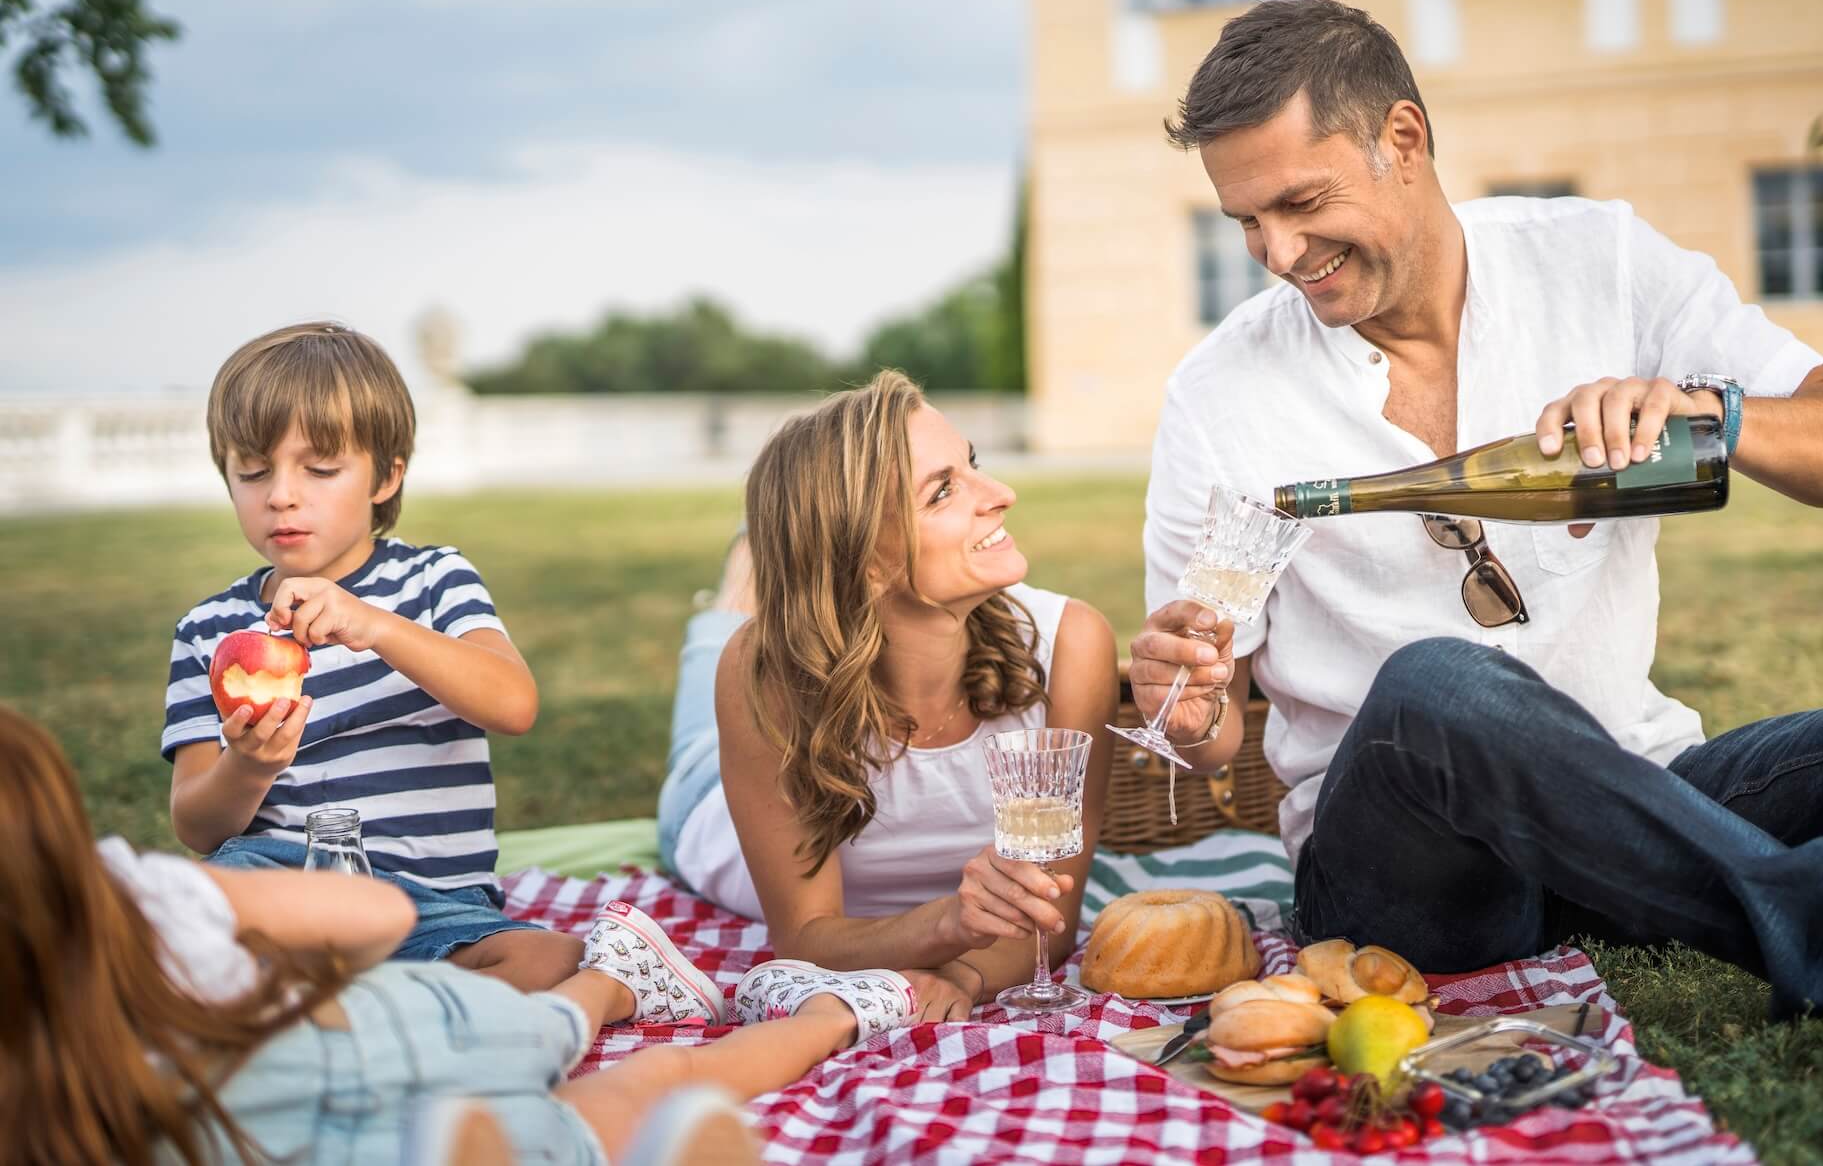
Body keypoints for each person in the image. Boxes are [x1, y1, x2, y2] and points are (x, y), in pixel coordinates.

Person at [1127, 0, 1823, 1148]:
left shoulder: (1596, 261)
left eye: (1300, 203)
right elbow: (1208, 717)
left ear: (1401, 139)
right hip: (1409, 871)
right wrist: (1185, 704)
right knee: (1438, 683)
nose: (1279, 256)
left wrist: (1709, 413)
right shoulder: (1221, 392)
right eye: (1245, 221)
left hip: (1635, 804)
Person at [1, 703, 952, 1165]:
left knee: (601, 1108)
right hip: (378, 1027)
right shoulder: (139, 894)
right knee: (600, 1056)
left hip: (262, 1138)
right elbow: (380, 916)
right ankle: (826, 1014)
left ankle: (607, 1025)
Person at [658, 370, 1119, 1007]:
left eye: (974, 464)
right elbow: (804, 937)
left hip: (824, 607)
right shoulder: (762, 671)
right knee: (718, 652)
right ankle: (744, 571)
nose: (1003, 494)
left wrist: (966, 973)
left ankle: (757, 564)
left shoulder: (1070, 643)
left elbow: (1053, 919)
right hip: (704, 804)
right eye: (943, 493)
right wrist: (944, 927)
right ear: (867, 561)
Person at [163, 322, 575, 990]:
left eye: (320, 469)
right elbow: (196, 824)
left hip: (428, 905)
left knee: (549, 958)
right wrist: (248, 767)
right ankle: (370, 1007)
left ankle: (345, 1007)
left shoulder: (435, 581)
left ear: (387, 477)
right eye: (253, 470)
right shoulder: (209, 630)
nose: (281, 495)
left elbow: (513, 703)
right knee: (184, 907)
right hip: (282, 892)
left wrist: (377, 626)